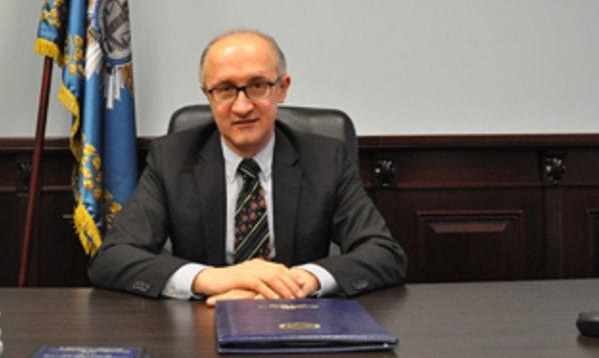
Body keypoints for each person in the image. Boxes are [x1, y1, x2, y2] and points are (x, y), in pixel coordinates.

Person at [88, 29, 407, 305]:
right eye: (225, 89)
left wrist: (299, 282)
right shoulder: (172, 158)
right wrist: (211, 279)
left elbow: (384, 252)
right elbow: (112, 258)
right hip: (205, 320)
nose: (242, 107)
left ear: (282, 88)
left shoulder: (325, 158)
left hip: (300, 320)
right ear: (208, 95)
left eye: (257, 85)